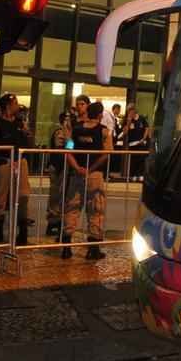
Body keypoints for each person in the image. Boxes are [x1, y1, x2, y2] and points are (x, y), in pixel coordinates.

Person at [62, 101, 111, 260]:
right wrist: (90, 169)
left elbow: (68, 150)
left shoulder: (75, 130)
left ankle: (66, 246)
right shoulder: (104, 132)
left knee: (72, 208)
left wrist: (77, 168)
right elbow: (107, 153)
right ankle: (93, 249)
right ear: (100, 115)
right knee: (96, 210)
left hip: (76, 174)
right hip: (94, 175)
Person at [0, 93, 34, 245]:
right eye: (15, 104)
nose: (17, 106)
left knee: (23, 196)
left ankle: (22, 231)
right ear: (7, 106)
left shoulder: (20, 123)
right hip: (4, 163)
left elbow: (28, 142)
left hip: (21, 162)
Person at [45, 111, 71, 237]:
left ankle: (59, 220)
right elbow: (67, 148)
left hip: (64, 167)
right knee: (56, 196)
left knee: (63, 196)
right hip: (58, 167)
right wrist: (70, 139)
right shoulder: (60, 132)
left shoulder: (69, 133)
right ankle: (53, 222)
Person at [122, 104, 149, 182]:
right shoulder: (127, 120)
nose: (130, 112)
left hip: (141, 142)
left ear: (134, 110)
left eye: (132, 110)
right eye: (129, 111)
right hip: (132, 144)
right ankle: (133, 175)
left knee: (141, 159)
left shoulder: (141, 118)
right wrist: (128, 122)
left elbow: (146, 128)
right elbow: (125, 132)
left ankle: (140, 175)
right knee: (133, 160)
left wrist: (143, 138)